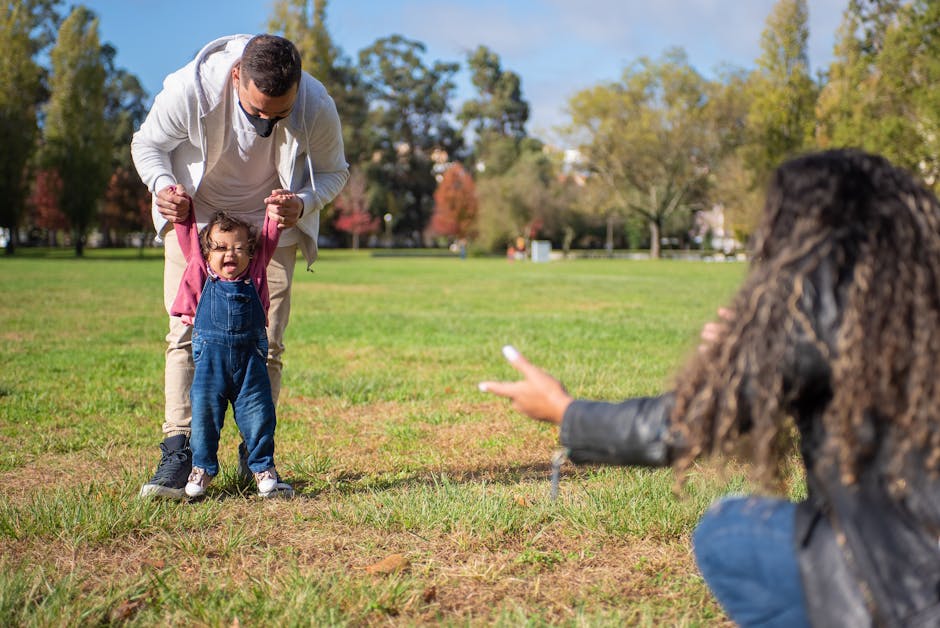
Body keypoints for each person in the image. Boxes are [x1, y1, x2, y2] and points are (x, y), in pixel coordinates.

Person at [479, 149, 940, 627]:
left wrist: (565, 411)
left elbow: (681, 424)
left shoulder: (818, 301)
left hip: (909, 592)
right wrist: (758, 351)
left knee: (728, 532)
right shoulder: (917, 297)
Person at [131, 34, 348, 499]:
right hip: (197, 217)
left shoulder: (315, 104)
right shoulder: (190, 90)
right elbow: (146, 144)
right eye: (256, 114)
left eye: (279, 116)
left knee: (267, 343)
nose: (266, 126)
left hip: (273, 221)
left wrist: (303, 202)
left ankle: (256, 457)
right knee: (185, 335)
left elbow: (335, 171)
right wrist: (164, 186)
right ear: (235, 79)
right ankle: (178, 453)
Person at [171, 199, 293, 499]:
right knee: (204, 416)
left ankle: (262, 468)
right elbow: (188, 236)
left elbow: (269, 238)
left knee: (259, 414)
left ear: (250, 252)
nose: (230, 254)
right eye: (221, 248)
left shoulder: (256, 273)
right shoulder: (200, 272)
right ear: (206, 253)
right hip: (210, 367)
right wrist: (183, 214)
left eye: (239, 248)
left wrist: (274, 214)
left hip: (250, 363)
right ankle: (202, 468)